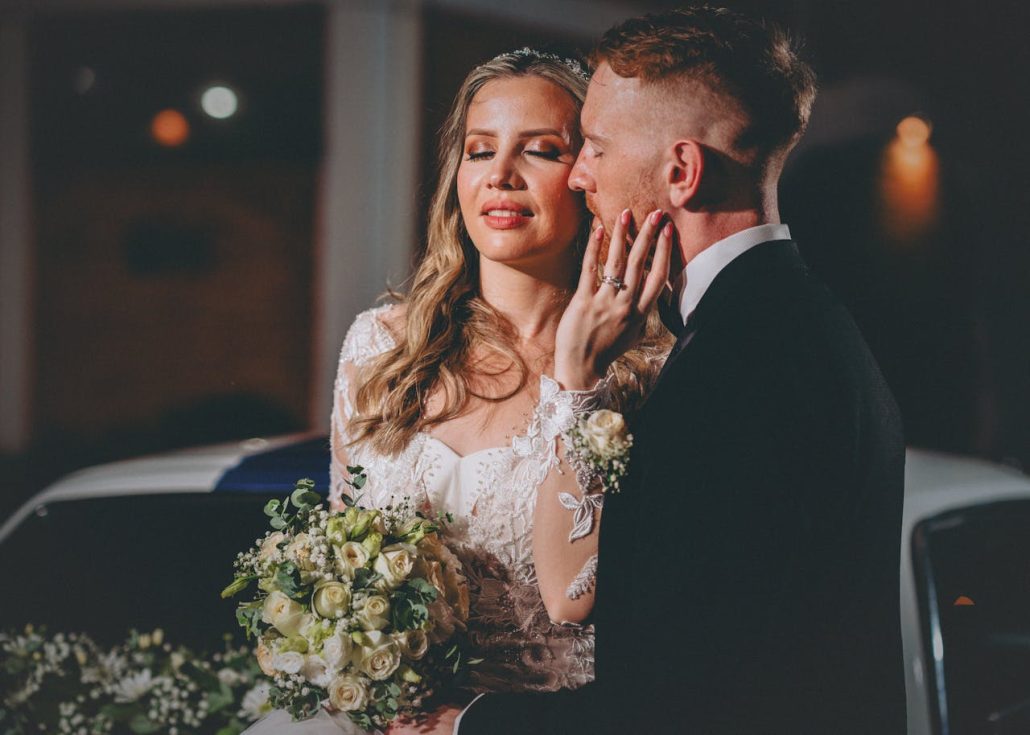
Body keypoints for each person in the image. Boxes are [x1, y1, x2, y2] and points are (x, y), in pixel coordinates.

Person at [454, 7, 907, 735]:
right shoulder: (795, 325)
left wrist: (462, 726)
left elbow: (675, 701)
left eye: (595, 147)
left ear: (681, 171)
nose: (577, 176)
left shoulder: (740, 374)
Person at [242, 48, 672, 735]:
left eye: (538, 150)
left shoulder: (648, 373)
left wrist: (575, 382)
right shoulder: (381, 347)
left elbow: (589, 598)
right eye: (479, 151)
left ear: (588, 176)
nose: (500, 175)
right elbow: (336, 547)